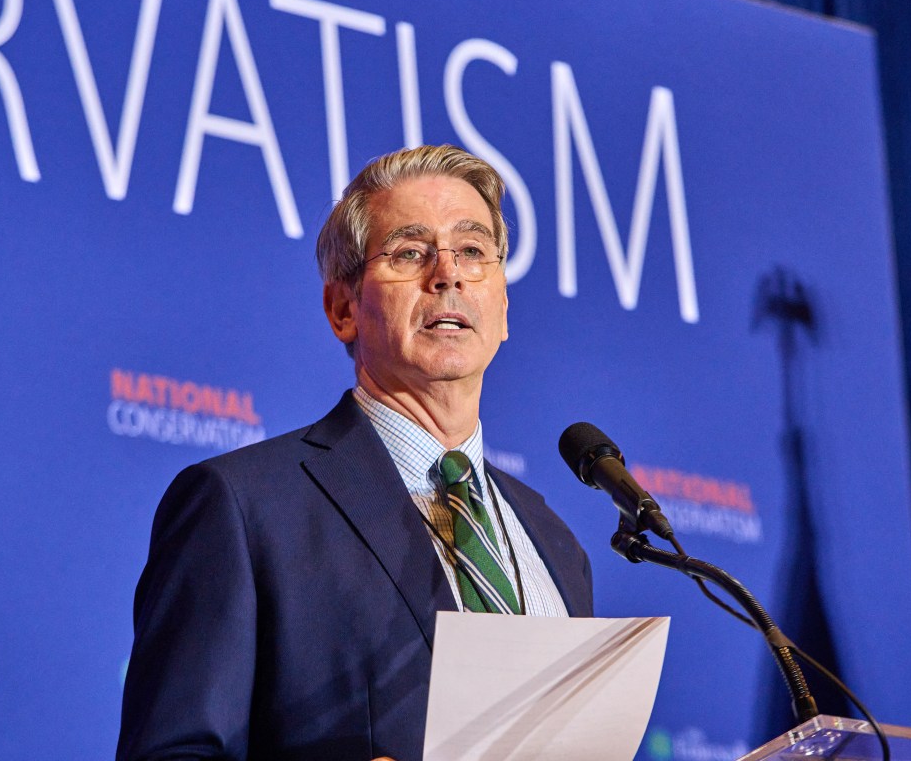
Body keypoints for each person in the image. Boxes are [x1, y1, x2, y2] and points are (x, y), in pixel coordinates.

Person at [116, 145, 594, 761]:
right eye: (410, 252)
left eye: (474, 252)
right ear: (343, 309)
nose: (447, 273)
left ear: (503, 307)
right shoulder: (245, 508)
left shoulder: (556, 546)